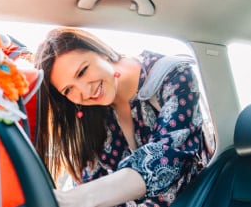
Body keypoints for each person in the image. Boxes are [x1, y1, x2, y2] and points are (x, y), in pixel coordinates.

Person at [34, 27, 213, 207]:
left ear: (101, 52)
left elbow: (168, 158)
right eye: (68, 90)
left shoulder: (174, 75)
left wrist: (74, 199)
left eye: (82, 71)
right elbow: (90, 180)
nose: (85, 91)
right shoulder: (90, 115)